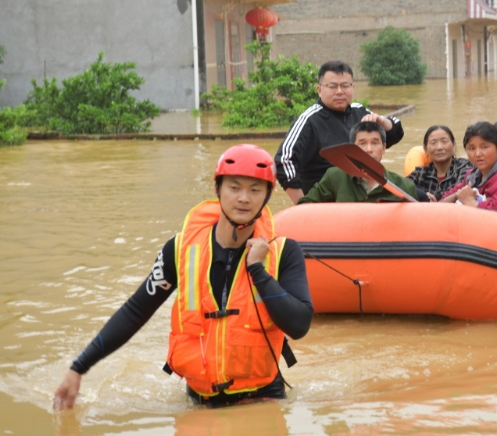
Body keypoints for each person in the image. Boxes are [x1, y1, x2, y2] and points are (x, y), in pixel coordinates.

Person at [53, 145, 314, 409]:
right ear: (218, 190)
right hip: (198, 401)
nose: (244, 198)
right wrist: (79, 367)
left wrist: (258, 270)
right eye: (234, 187)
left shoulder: (284, 251)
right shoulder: (179, 250)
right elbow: (135, 311)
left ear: (267, 195)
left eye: (255, 190)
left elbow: (299, 325)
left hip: (263, 399)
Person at [275, 61, 405, 205]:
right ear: (319, 90)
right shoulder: (310, 121)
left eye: (345, 86)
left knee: (415, 194)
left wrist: (382, 121)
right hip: (326, 202)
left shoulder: (359, 111)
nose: (339, 92)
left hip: (362, 196)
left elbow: (394, 134)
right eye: (332, 86)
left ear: (353, 87)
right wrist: (303, 205)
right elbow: (283, 161)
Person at [298, 121, 417, 204]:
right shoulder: (334, 177)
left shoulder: (404, 187)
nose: (369, 149)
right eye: (362, 143)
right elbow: (304, 206)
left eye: (375, 143)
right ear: (352, 148)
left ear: (384, 148)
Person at [406, 125, 473, 201]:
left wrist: (427, 200)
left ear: (453, 146)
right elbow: (402, 187)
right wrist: (423, 196)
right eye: (433, 143)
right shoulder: (420, 173)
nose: (439, 147)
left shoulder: (464, 167)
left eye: (444, 142)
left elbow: (462, 191)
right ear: (426, 150)